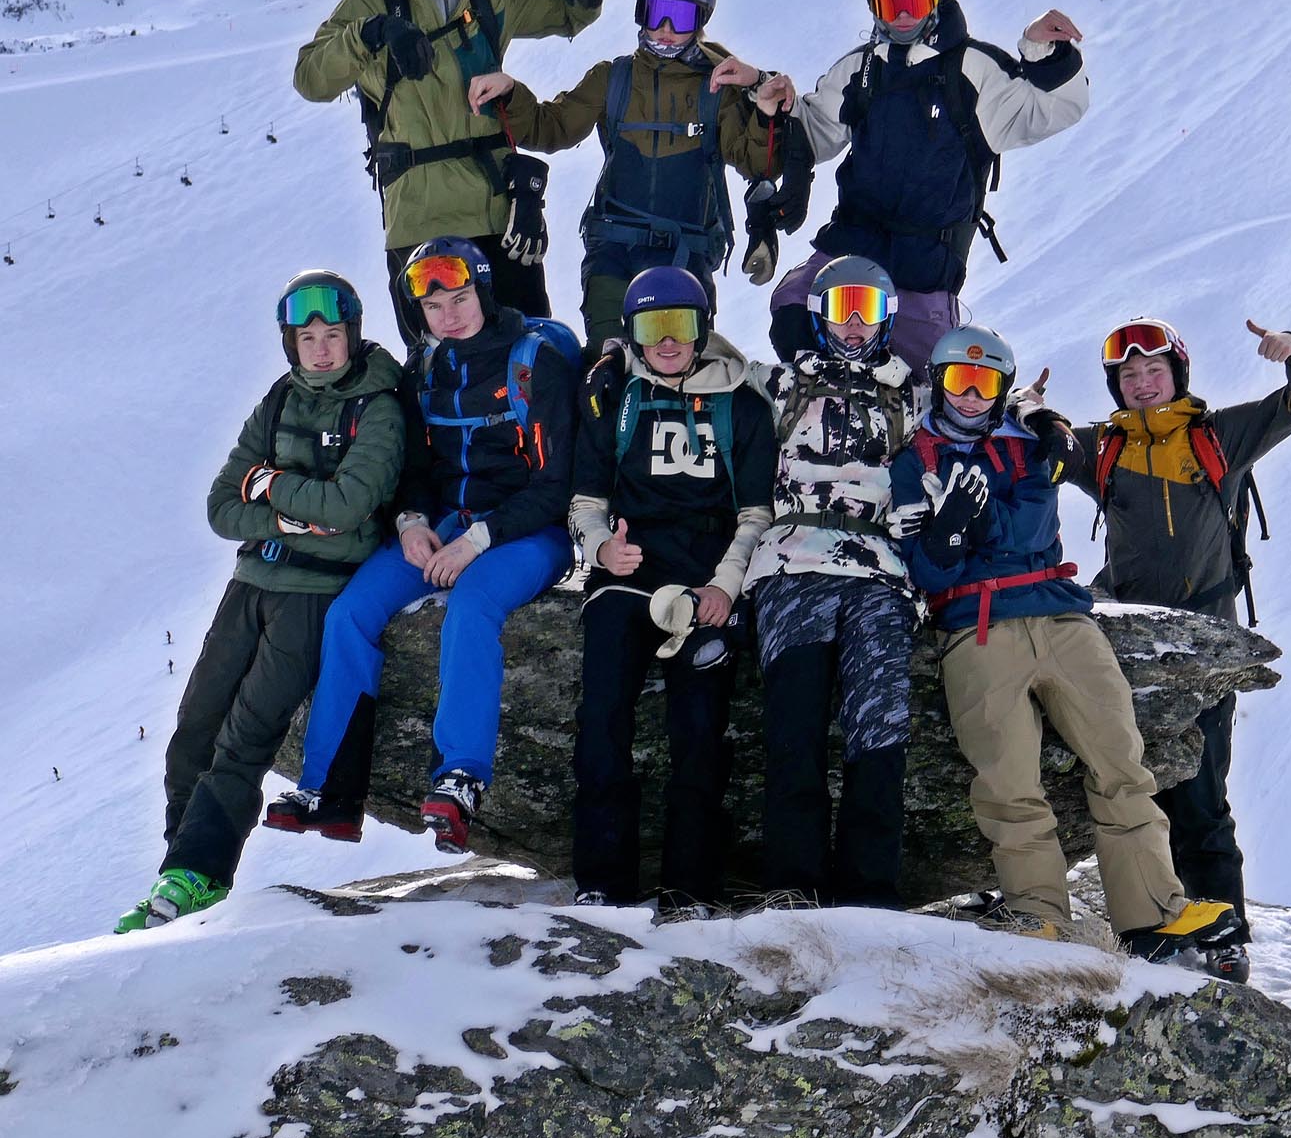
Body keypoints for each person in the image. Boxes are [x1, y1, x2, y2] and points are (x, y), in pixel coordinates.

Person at [889, 325, 1240, 959]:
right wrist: (945, 538)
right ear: (938, 384)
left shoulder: (1031, 443)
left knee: (1121, 762)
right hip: (976, 629)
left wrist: (967, 524)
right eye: (959, 382)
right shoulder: (916, 459)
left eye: (985, 383)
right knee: (1008, 781)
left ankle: (1153, 914)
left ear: (1000, 388)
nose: (971, 396)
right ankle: (1038, 915)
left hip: (1064, 617)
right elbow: (927, 570)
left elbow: (1032, 524)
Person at [263, 238, 576, 853]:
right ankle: (328, 792)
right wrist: (409, 521)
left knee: (472, 606)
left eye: (461, 300)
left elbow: (555, 483)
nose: (450, 316)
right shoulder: (426, 370)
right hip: (446, 523)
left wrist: (478, 541)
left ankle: (460, 778)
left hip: (528, 532)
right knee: (351, 612)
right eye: (435, 308)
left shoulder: (534, 363)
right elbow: (417, 468)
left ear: (483, 292)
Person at [118, 273, 404, 931]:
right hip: (253, 579)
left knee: (245, 739)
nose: (322, 350)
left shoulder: (379, 405)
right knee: (193, 730)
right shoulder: (279, 399)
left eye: (333, 335)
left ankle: (196, 877)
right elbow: (221, 507)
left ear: (353, 337)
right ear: (290, 344)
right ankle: (181, 876)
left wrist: (267, 482)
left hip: (312, 595)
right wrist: (284, 520)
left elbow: (348, 506)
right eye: (308, 338)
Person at [1047, 316, 1291, 981]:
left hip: (1203, 646)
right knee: (1137, 789)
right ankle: (1164, 920)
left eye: (1154, 371)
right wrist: (1033, 414)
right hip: (1128, 648)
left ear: (1177, 372)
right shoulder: (1103, 448)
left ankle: (1223, 934)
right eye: (1129, 375)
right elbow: (1046, 451)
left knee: (1201, 793)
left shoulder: (1218, 436)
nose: (1143, 383)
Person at [292, 0, 607, 339]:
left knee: (532, 356)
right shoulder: (372, 2)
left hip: (500, 216)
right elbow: (311, 78)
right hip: (422, 218)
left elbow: (568, 12)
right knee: (440, 371)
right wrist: (370, 35)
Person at [762, 0, 1089, 368]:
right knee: (791, 315)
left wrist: (1041, 51)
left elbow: (1054, 109)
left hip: (923, 272)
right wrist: (770, 99)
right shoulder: (861, 71)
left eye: (914, 0)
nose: (902, 16)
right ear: (871, 2)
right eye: (889, 2)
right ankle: (816, 417)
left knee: (922, 388)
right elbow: (815, 132)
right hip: (851, 254)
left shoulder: (971, 69)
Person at [467, 0, 811, 358]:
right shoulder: (614, 80)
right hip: (613, 252)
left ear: (700, 21)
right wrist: (512, 92)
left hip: (685, 256)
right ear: (639, 13)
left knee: (677, 366)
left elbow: (758, 164)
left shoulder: (716, 88)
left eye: (680, 18)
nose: (665, 30)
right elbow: (551, 127)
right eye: (655, 13)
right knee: (609, 364)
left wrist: (764, 112)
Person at [568, 267, 776, 916]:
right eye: (652, 327)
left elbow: (757, 513)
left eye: (680, 325)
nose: (667, 342)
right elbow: (585, 500)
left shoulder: (741, 403)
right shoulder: (615, 397)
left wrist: (725, 587)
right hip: (625, 580)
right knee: (602, 719)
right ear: (631, 333)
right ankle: (602, 881)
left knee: (699, 730)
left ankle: (690, 888)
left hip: (704, 584)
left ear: (702, 326)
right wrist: (601, 547)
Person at [742, 256, 923, 908]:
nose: (853, 322)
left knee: (879, 730)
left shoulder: (914, 397)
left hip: (879, 574)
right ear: (818, 315)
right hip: (792, 564)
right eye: (842, 306)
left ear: (887, 319)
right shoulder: (782, 388)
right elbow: (703, 371)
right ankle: (793, 886)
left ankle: (870, 893)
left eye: (868, 309)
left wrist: (1040, 422)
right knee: (795, 726)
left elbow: (976, 417)